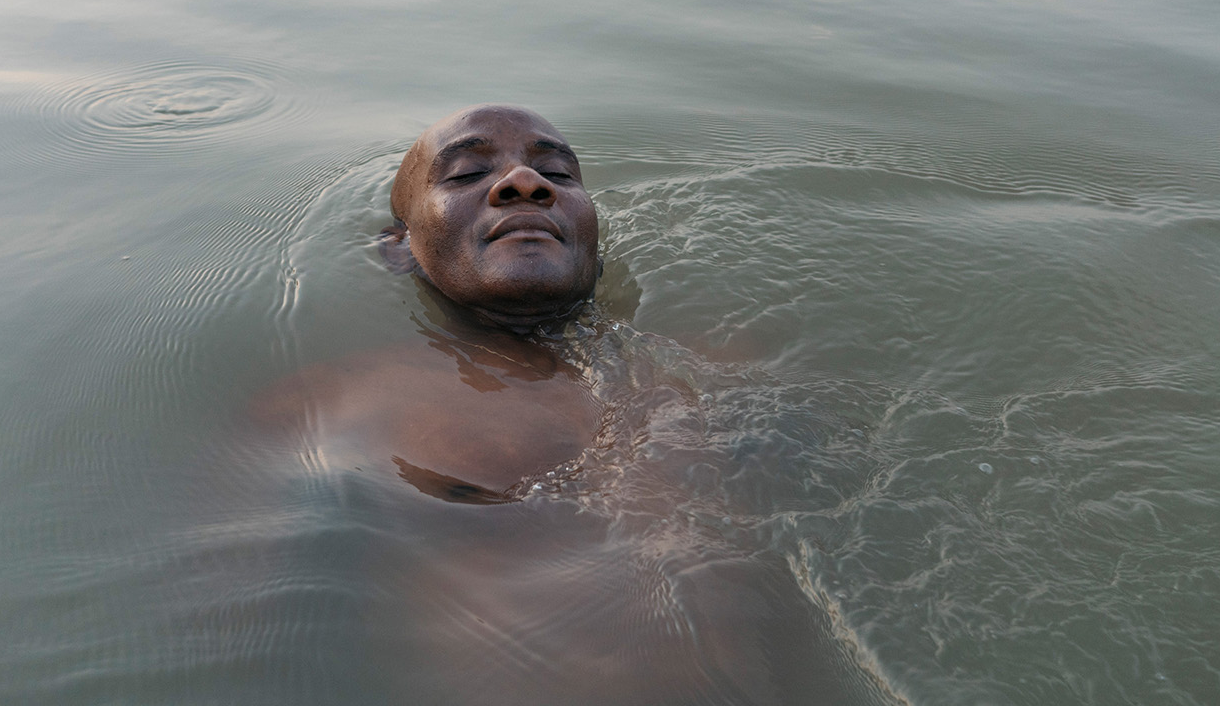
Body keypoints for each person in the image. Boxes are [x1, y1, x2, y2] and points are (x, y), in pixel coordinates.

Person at [248, 105, 893, 705]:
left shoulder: (728, 368)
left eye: (556, 173)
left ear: (592, 238)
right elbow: (242, 637)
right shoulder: (330, 404)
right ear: (398, 247)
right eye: (470, 172)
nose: (525, 181)